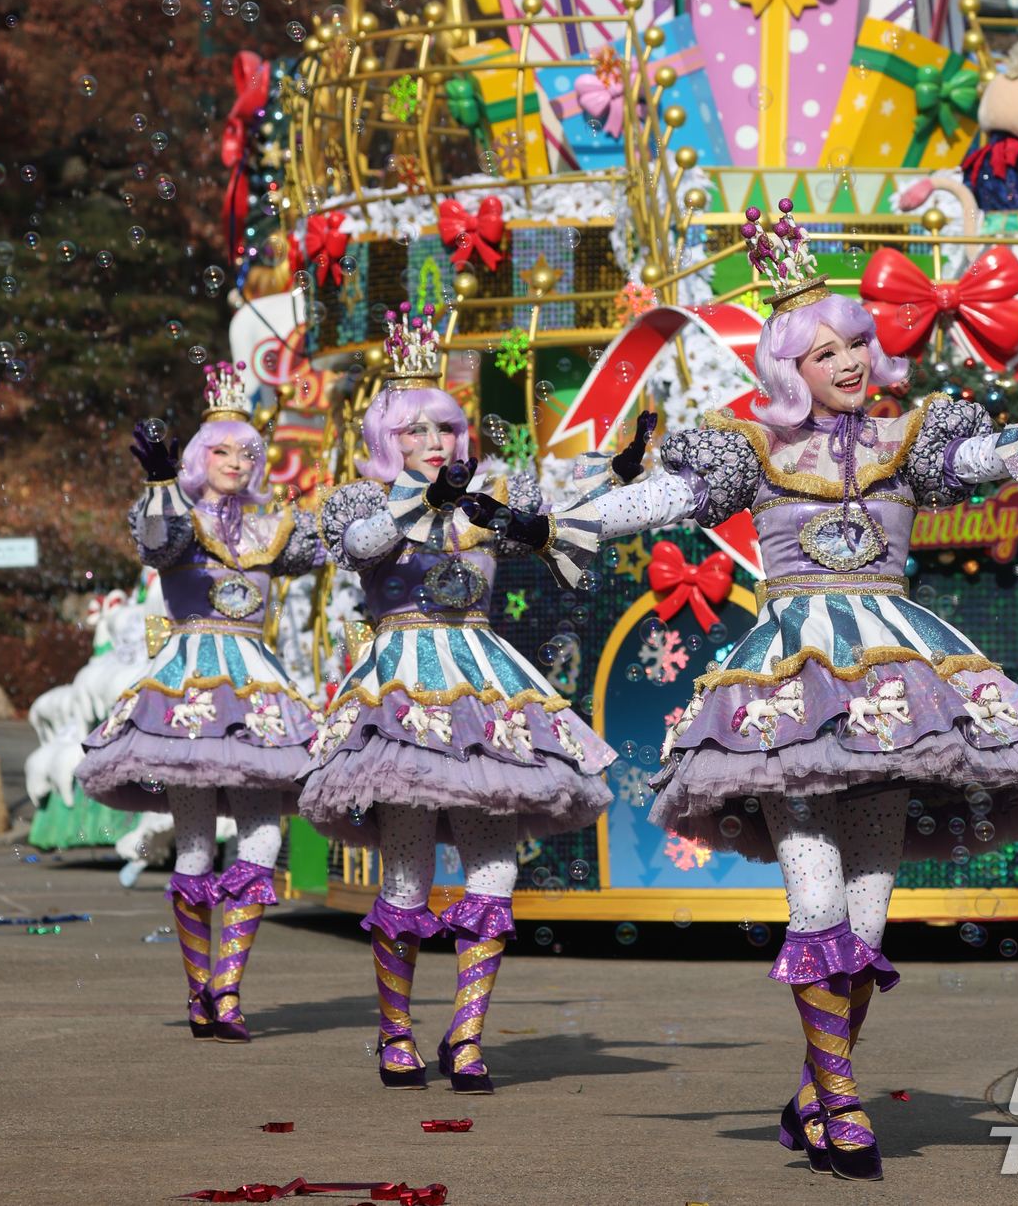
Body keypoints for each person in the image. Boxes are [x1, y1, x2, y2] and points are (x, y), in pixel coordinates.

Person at [461, 201, 1018, 1182]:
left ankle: (813, 1093)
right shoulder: (750, 448)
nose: (849, 360)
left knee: (869, 923)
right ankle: (840, 1104)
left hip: (896, 690)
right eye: (824, 350)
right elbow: (663, 500)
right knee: (816, 906)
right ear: (788, 368)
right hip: (788, 693)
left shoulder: (910, 436)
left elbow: (984, 463)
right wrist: (554, 524)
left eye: (857, 342)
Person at [299, 304, 619, 1092]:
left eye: (445, 427)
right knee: (406, 876)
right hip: (402, 689)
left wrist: (620, 469)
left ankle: (468, 1036)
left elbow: (567, 515)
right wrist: (426, 498)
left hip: (484, 684)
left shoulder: (488, 499)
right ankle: (395, 1034)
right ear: (387, 440)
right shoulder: (362, 500)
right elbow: (363, 546)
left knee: (494, 867)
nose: (434, 441)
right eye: (414, 430)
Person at [78, 362, 323, 1041]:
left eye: (248, 452)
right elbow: (158, 545)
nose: (237, 462)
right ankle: (200, 994)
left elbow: (338, 551)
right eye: (222, 451)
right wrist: (160, 486)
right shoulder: (177, 518)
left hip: (257, 687)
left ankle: (227, 990)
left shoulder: (272, 527)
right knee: (193, 845)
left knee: (264, 836)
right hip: (188, 686)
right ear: (196, 458)